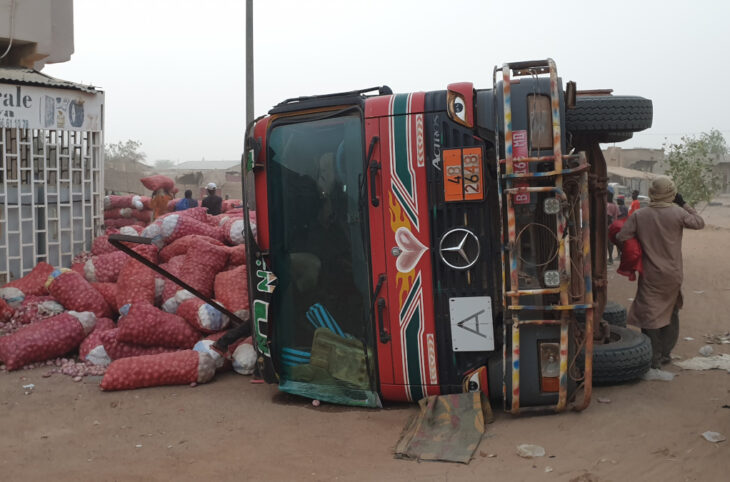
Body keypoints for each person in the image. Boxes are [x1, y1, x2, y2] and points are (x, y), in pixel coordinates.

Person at [616, 176, 704, 368]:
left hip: (649, 274)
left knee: (649, 314)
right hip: (673, 273)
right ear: (671, 192)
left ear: (652, 193)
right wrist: (683, 203)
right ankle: (665, 354)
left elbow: (622, 236)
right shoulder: (678, 213)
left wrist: (638, 245)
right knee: (671, 312)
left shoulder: (640, 215)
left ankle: (653, 357)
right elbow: (699, 222)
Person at [606, 191, 620, 264]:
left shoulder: (608, 205)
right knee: (611, 242)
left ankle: (610, 258)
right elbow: (618, 215)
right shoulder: (615, 205)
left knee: (608, 243)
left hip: (609, 227)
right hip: (614, 226)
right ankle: (611, 258)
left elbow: (608, 217)